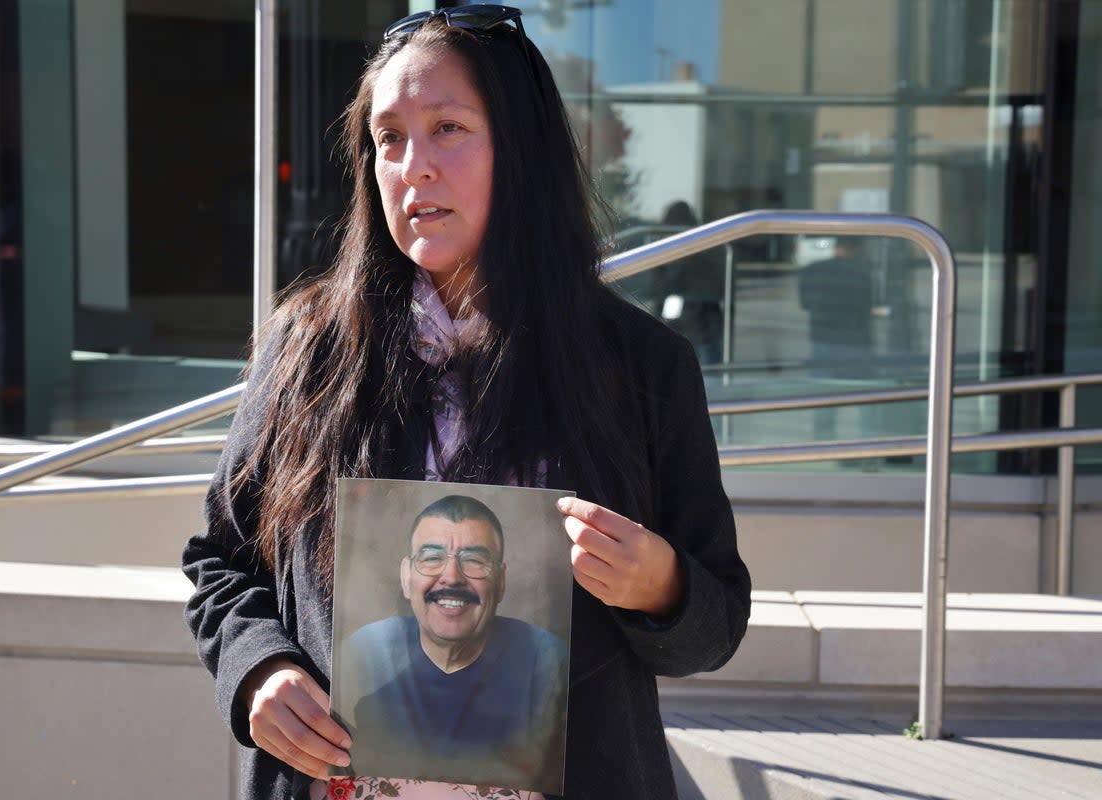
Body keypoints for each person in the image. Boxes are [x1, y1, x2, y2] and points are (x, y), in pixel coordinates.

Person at [182, 6, 751, 800]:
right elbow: (223, 563)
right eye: (388, 138)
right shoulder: (308, 347)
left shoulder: (642, 366)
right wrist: (257, 673)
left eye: (448, 127)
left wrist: (659, 583)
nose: (413, 165)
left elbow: (716, 621)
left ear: (522, 151)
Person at [334, 494, 567, 791]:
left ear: (501, 581)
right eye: (432, 558)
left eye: (475, 560)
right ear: (406, 577)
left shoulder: (547, 662)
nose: (452, 577)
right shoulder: (364, 654)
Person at [798, 236, 874, 440]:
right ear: (855, 249)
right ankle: (868, 446)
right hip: (855, 342)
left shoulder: (812, 270)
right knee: (865, 396)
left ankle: (823, 443)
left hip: (821, 339)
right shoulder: (862, 273)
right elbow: (868, 305)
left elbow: (805, 303)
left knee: (823, 396)